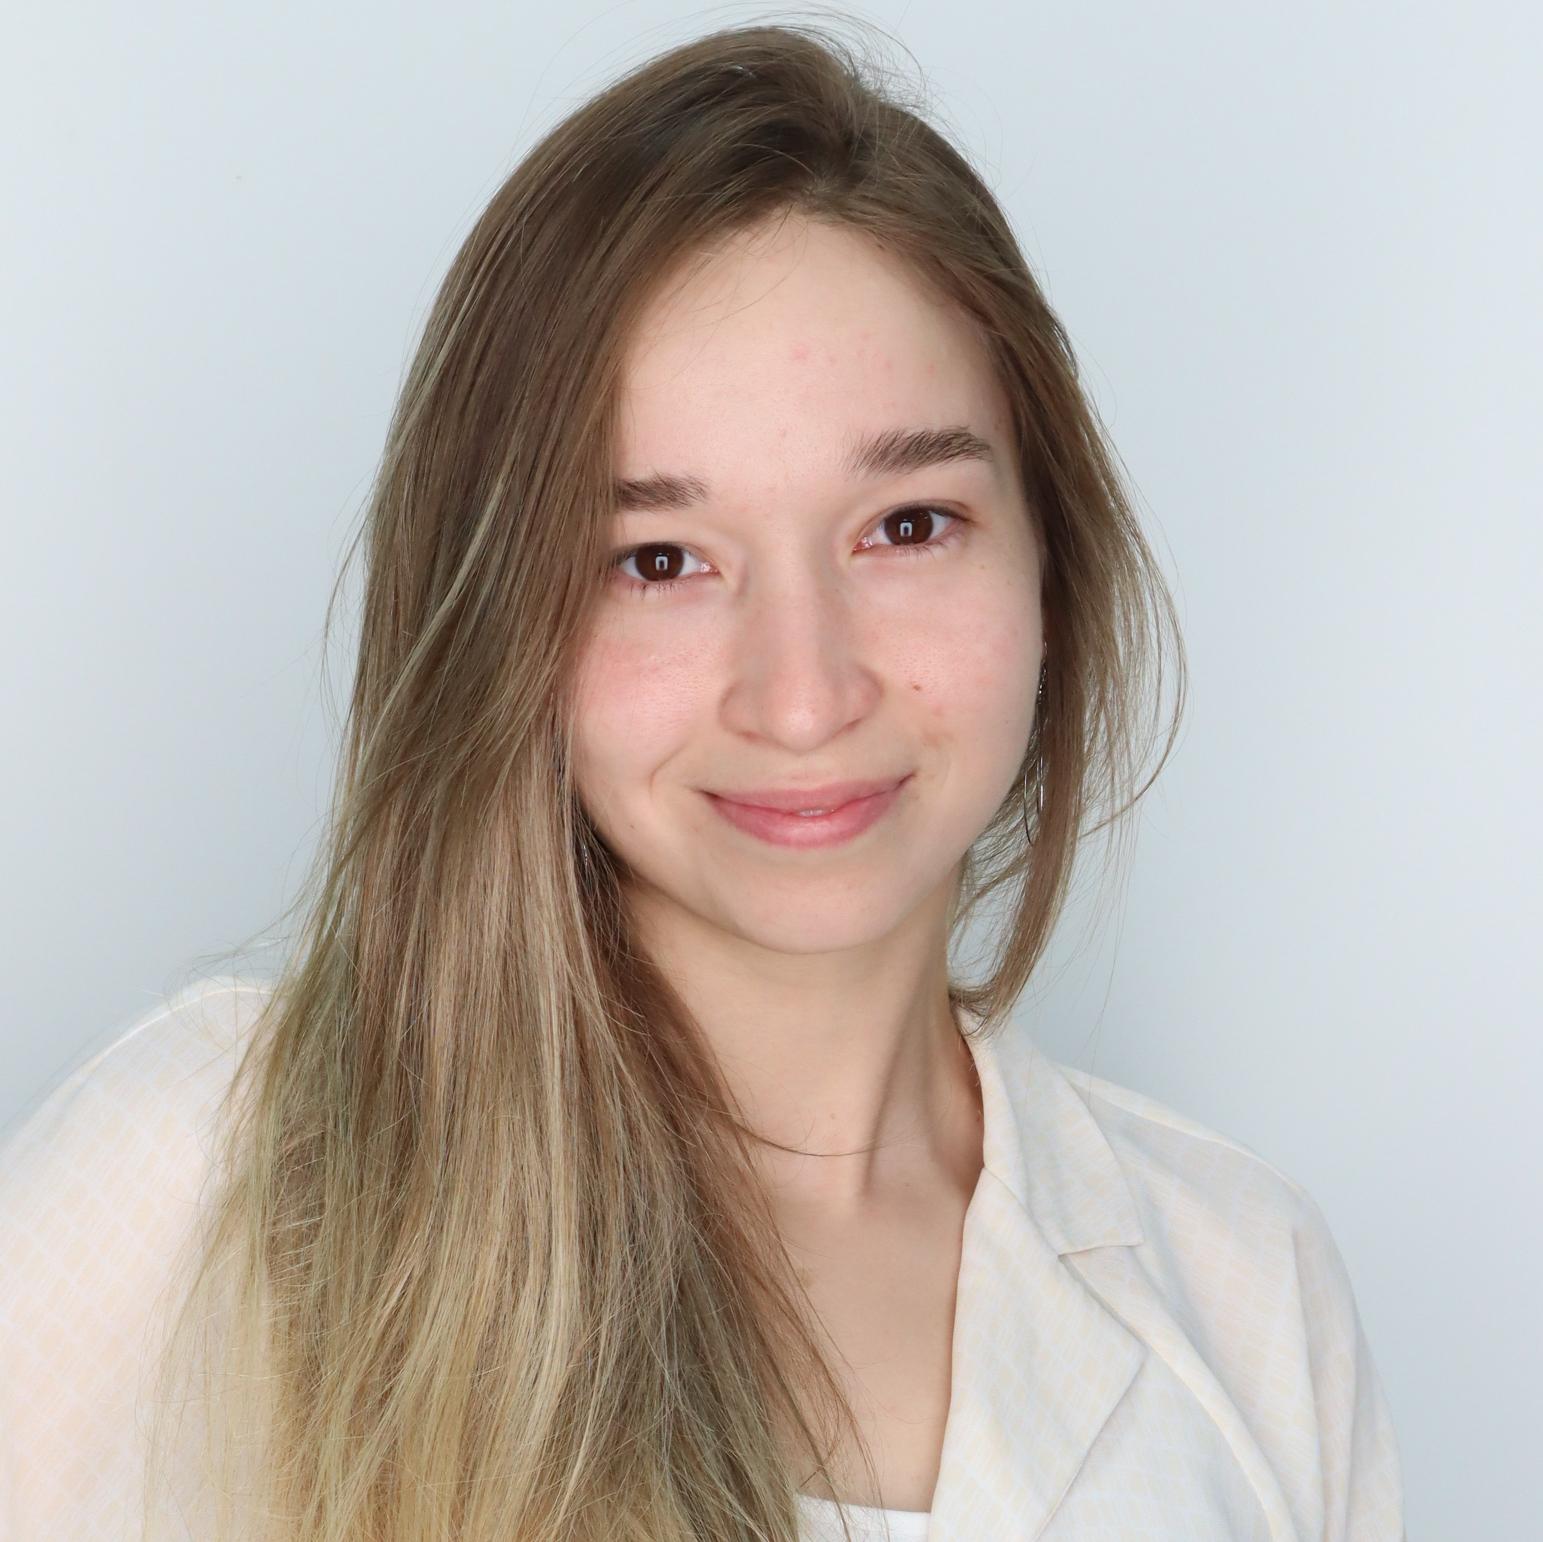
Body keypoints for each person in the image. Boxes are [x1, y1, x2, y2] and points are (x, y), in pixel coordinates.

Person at [0, 18, 1405, 1542]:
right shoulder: (202, 1180)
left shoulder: (1242, 1284)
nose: (804, 694)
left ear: (1050, 564)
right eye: (659, 559)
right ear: (503, 619)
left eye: (907, 525)